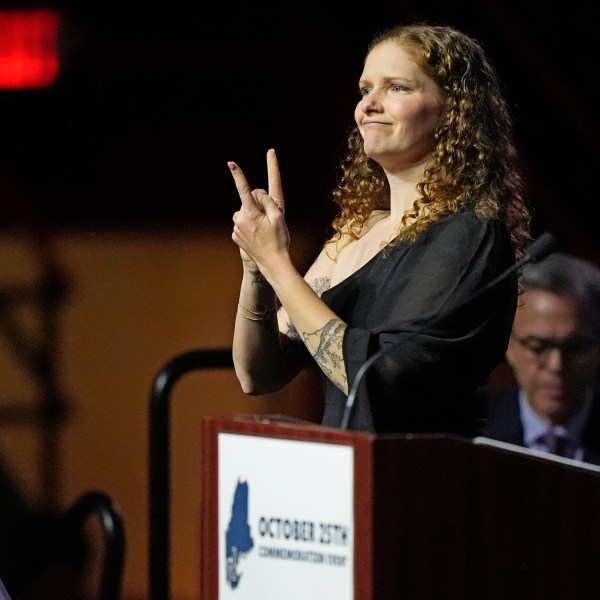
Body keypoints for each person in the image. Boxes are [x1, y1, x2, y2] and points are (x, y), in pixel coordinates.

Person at [228, 23, 531, 435]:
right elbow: (258, 375)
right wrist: (256, 270)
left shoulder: (468, 234)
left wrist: (277, 261)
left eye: (397, 88)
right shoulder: (354, 234)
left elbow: (379, 376)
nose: (369, 104)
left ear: (453, 109)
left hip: (414, 478)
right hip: (343, 474)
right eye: (365, 89)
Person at [484, 252, 600, 464]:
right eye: (538, 347)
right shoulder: (473, 434)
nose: (556, 365)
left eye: (575, 348)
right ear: (509, 345)